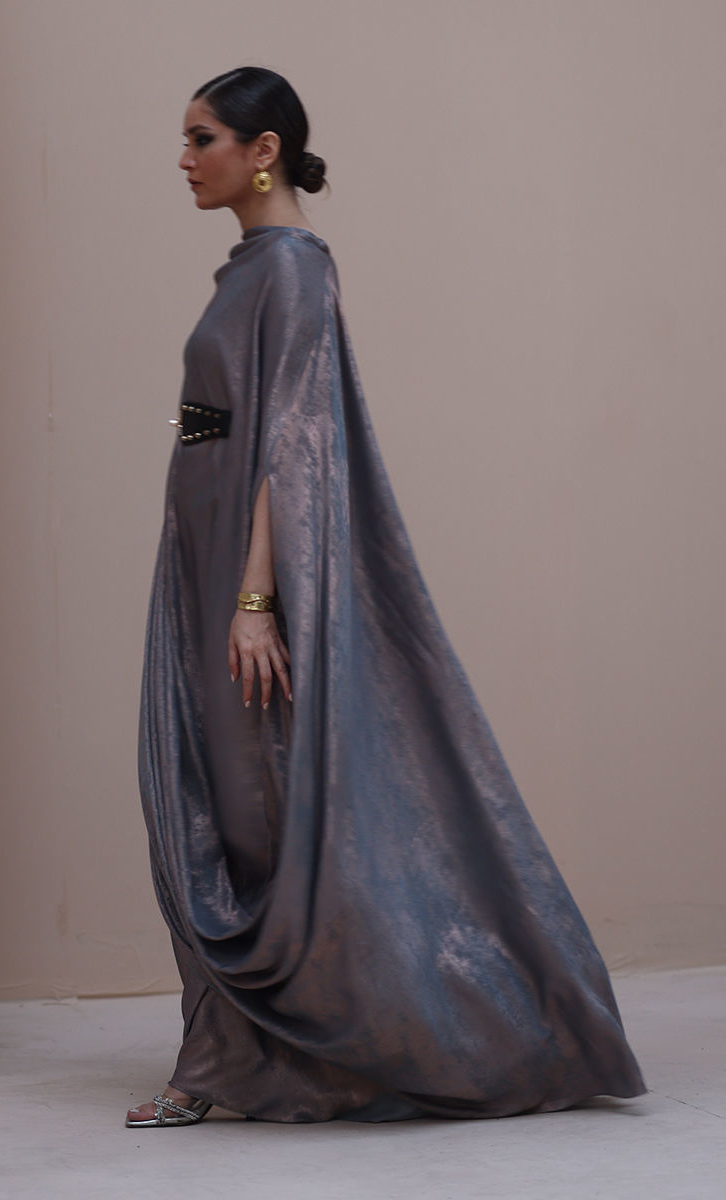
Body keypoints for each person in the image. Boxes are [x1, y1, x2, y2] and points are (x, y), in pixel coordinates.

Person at [127, 66, 645, 1127]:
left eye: (201, 137)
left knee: (259, 808)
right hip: (203, 550)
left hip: (243, 573)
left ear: (262, 150)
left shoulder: (293, 268)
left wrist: (256, 601)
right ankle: (230, 1051)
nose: (183, 159)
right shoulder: (250, 269)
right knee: (219, 803)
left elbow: (292, 441)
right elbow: (226, 425)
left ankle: (266, 1053)